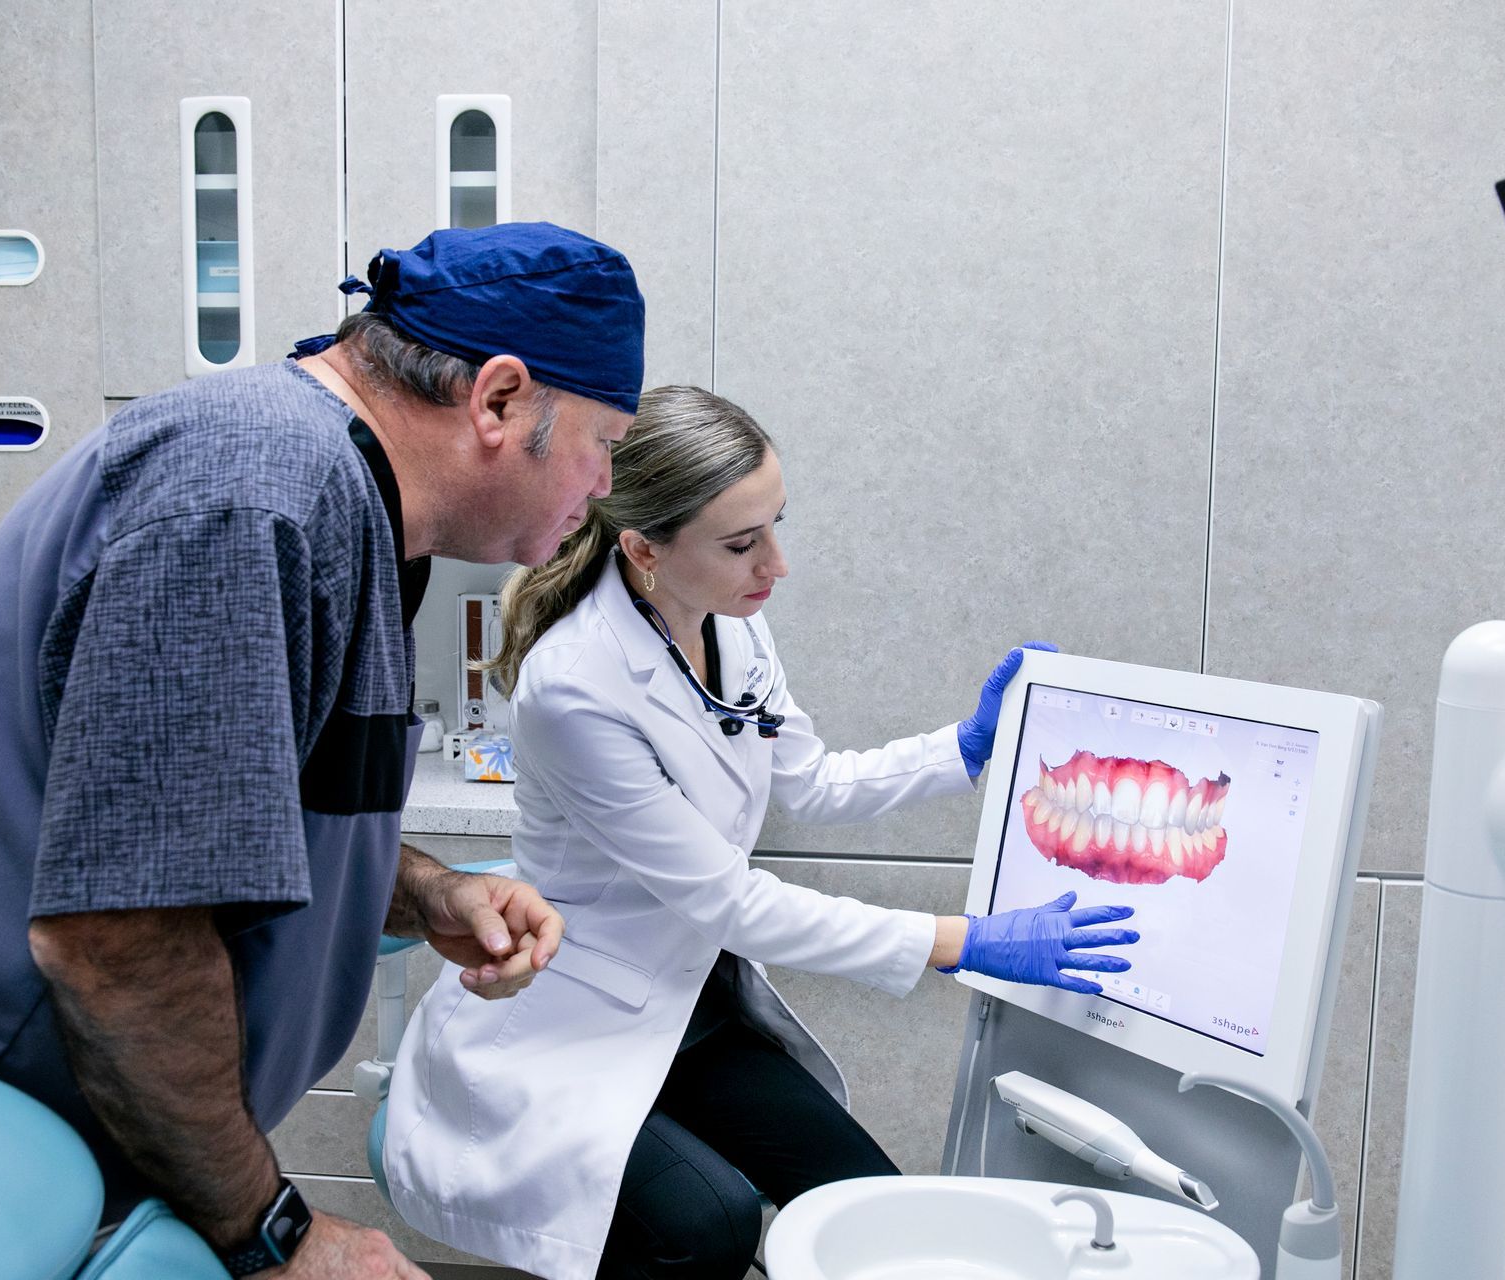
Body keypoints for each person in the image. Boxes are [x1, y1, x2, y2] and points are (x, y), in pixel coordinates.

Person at [0, 223, 645, 1278]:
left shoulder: (341, 505)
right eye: (606, 443)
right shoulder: (252, 495)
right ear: (496, 400)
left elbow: (224, 824)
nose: (605, 484)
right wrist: (279, 1234)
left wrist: (429, 893)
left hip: (47, 1160)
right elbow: (119, 939)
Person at [382, 385, 1139, 1280]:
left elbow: (809, 784)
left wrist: (963, 752)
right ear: (643, 549)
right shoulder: (577, 683)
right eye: (743, 544)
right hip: (570, 1021)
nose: (774, 565)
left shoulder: (732, 628)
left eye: (775, 525)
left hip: (688, 1006)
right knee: (708, 1225)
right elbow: (730, 900)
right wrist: (960, 940)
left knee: (865, 1206)